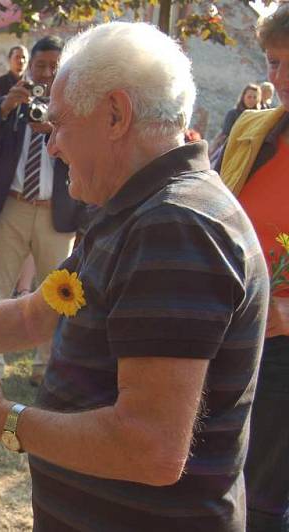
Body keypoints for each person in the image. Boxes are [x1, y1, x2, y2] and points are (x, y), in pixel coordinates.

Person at [0, 21, 270, 531]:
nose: (52, 148)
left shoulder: (174, 226)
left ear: (115, 114)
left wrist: (1, 420)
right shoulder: (141, 208)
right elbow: (33, 316)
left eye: (60, 124)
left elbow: (151, 446)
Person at [0, 35, 84, 386]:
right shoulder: (13, 100)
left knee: (58, 295)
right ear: (28, 67)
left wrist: (56, 130)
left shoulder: (74, 109)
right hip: (13, 206)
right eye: (41, 65)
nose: (47, 72)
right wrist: (5, 109)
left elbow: (85, 157)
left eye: (54, 66)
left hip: (57, 213)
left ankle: (47, 369)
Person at [217, 5, 289, 530]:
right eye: (273, 61)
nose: (279, 78)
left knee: (267, 497)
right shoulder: (252, 130)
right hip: (240, 334)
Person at [211, 83, 262, 153]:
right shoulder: (233, 114)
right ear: (243, 97)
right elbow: (226, 133)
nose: (252, 100)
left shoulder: (259, 116)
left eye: (255, 97)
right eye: (249, 97)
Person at [0, 44, 28, 112]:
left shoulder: (31, 87)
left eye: (24, 58)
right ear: (9, 59)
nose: (21, 61)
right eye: (17, 57)